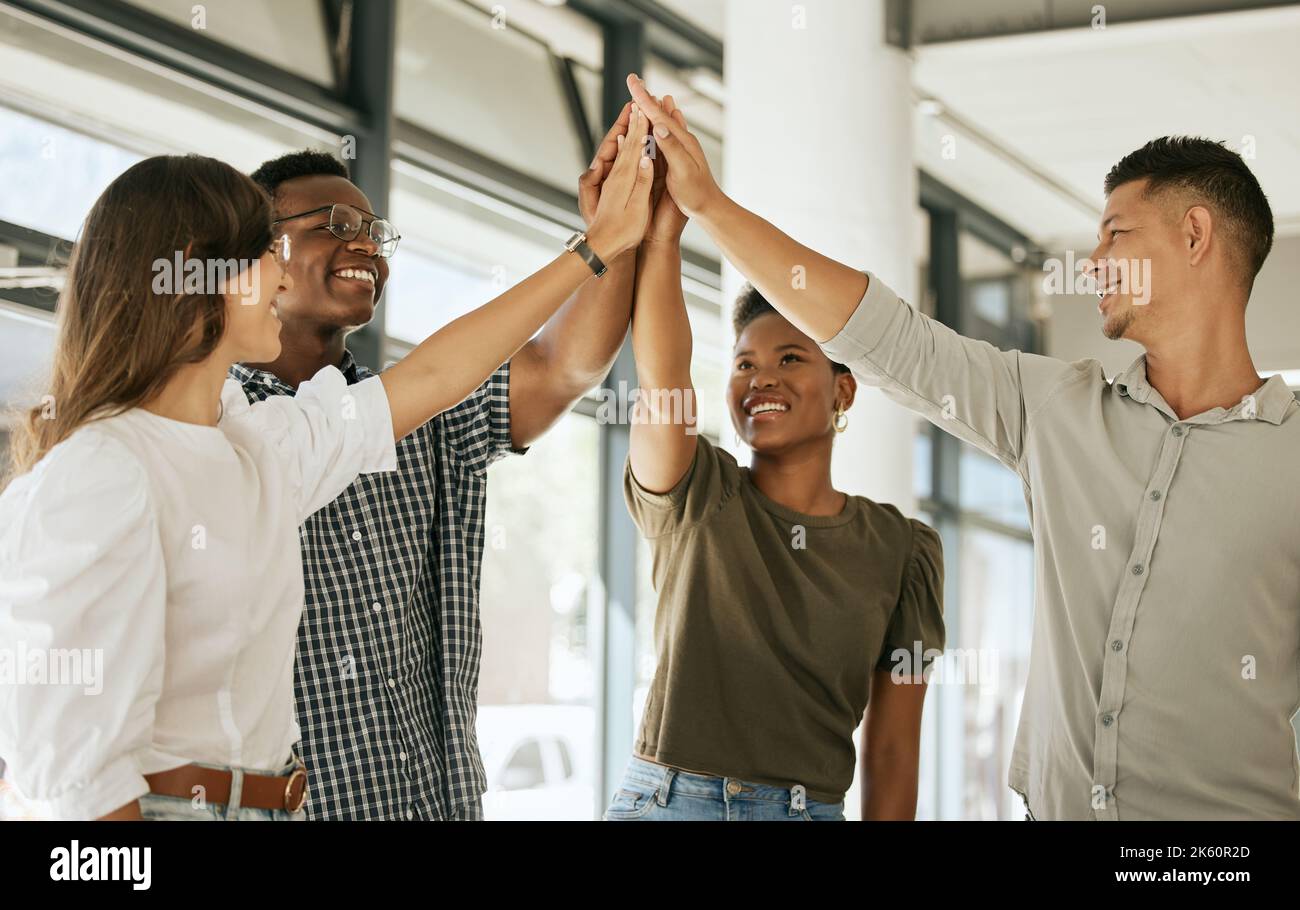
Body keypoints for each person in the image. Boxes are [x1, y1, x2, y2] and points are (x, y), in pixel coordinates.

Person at [627, 73, 1300, 821]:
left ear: (1196, 234)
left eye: (1116, 234)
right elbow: (892, 341)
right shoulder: (1055, 409)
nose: (1093, 261)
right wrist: (706, 206)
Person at [0, 111, 654, 820]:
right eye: (264, 250)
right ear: (198, 271)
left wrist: (600, 246)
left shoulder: (259, 449)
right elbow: (73, 785)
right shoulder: (99, 474)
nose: (280, 272)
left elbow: (434, 376)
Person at [233, 105, 643, 819]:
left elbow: (561, 368)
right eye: (333, 225)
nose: (363, 243)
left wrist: (622, 229)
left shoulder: (420, 413)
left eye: (372, 231)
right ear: (259, 256)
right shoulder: (221, 429)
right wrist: (596, 243)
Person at [602, 96, 944, 822]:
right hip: (672, 803)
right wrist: (664, 239)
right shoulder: (700, 493)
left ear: (842, 390)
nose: (762, 379)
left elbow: (892, 753)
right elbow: (663, 382)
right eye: (745, 363)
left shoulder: (902, 550)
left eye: (792, 358)